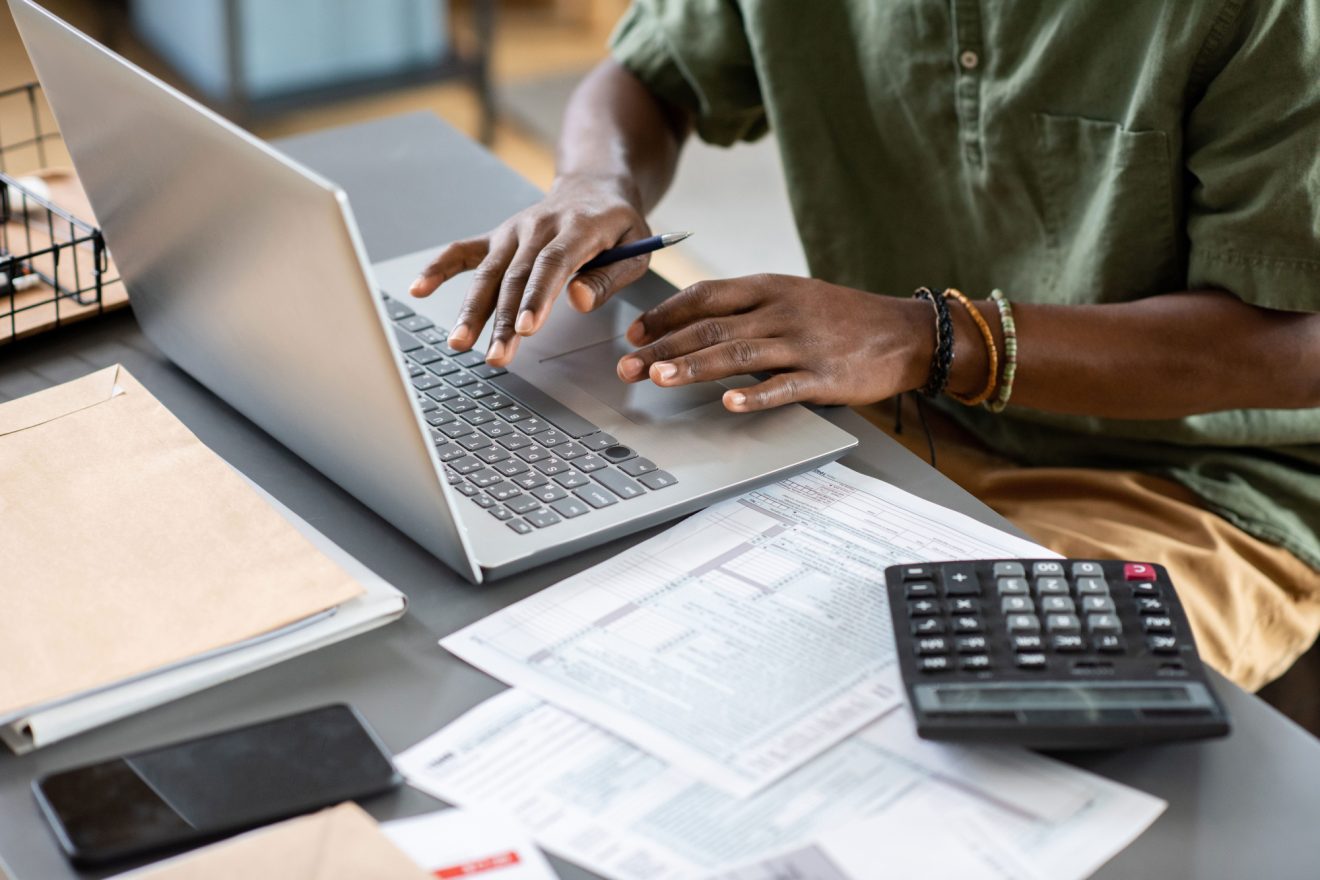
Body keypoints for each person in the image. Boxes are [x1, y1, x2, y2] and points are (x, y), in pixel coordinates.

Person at [410, 0, 1320, 693]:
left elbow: (1298, 346)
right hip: (886, 417)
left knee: (924, 717)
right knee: (612, 622)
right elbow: (650, 73)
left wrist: (928, 337)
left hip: (1192, 487)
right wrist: (593, 180)